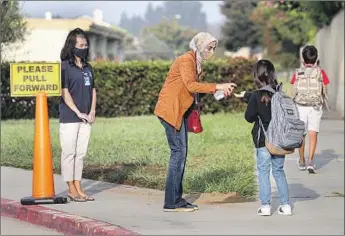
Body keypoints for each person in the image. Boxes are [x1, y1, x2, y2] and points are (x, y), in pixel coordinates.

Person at [154, 32, 237, 212]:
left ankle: (176, 199)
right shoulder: (186, 60)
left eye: (214, 48)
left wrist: (218, 92)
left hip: (178, 111)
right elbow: (191, 85)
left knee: (180, 154)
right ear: (199, 45)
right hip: (171, 111)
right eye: (209, 47)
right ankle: (171, 202)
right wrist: (218, 86)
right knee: (178, 154)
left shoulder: (195, 61)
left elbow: (192, 89)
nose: (212, 52)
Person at [243, 60, 292, 216]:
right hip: (280, 141)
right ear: (272, 74)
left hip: (262, 140)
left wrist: (249, 101)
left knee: (263, 171)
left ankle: (265, 207)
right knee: (278, 171)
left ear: (257, 76)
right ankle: (286, 206)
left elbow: (249, 117)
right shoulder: (280, 94)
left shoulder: (257, 96)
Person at [59, 28, 97, 202]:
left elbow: (93, 90)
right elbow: (64, 92)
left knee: (80, 154)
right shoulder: (65, 67)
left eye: (86, 45)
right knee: (69, 153)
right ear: (72, 46)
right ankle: (71, 189)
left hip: (86, 118)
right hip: (70, 118)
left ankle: (78, 186)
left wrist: (92, 112)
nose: (84, 47)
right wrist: (78, 112)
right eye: (80, 45)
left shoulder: (88, 67)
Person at [290, 45, 330, 173]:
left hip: (300, 107)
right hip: (315, 107)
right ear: (316, 58)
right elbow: (325, 89)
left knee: (301, 135)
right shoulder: (320, 72)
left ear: (303, 58)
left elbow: (293, 89)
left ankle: (301, 161)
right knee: (313, 134)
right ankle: (311, 161)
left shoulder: (298, 73)